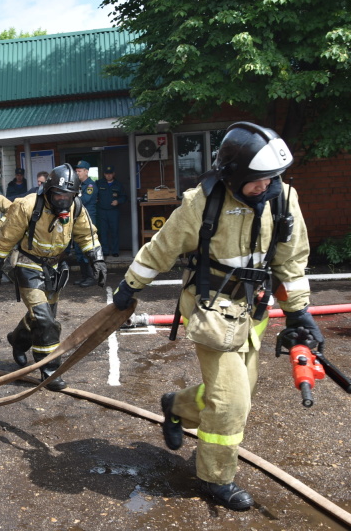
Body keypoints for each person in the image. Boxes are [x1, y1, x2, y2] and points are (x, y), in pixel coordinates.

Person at [112, 122, 322, 511]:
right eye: (258, 180)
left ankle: (175, 406)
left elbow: (291, 260)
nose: (268, 186)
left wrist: (299, 313)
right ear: (235, 174)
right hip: (212, 312)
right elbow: (162, 247)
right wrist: (130, 286)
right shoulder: (202, 202)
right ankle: (215, 478)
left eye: (273, 178)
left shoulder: (282, 198)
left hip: (255, 312)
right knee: (230, 404)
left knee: (236, 391)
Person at [0, 164, 107, 391]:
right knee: (45, 320)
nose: (63, 200)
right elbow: (7, 238)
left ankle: (18, 340)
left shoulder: (76, 207)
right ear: (48, 190)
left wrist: (97, 259)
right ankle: (50, 371)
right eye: (58, 194)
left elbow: (87, 234)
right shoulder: (27, 205)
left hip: (55, 269)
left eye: (68, 196)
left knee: (41, 317)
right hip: (28, 265)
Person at [72, 160, 99, 287]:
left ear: (86, 172)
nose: (77, 173)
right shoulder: (78, 185)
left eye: (79, 171)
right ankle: (84, 276)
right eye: (76, 171)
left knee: (87, 249)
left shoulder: (90, 186)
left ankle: (91, 277)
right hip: (78, 219)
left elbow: (84, 200)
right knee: (78, 249)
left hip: (88, 220)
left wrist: (71, 198)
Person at [96, 165, 127, 257]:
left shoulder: (118, 185)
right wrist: (95, 199)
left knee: (114, 231)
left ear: (113, 174)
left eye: (110, 174)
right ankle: (105, 251)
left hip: (113, 211)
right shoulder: (99, 183)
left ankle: (115, 251)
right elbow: (93, 193)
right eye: (106, 174)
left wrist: (118, 201)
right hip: (102, 211)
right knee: (103, 232)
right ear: (104, 174)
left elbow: (124, 197)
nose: (108, 175)